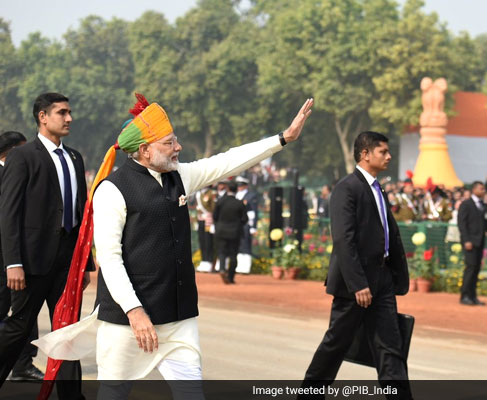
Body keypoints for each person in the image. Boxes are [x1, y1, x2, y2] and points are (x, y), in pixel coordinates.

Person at [33, 94, 313, 399]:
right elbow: (110, 260)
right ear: (144, 150)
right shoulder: (112, 190)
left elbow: (227, 161)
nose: (177, 147)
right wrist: (135, 312)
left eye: (175, 140)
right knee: (113, 393)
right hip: (127, 323)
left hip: (178, 318)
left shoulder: (180, 176)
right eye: (169, 142)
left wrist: (282, 139)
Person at [300, 131, 412, 400]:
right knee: (335, 345)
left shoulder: (378, 188)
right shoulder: (346, 188)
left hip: (382, 279)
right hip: (356, 284)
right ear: (365, 154)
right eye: (383, 152)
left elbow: (387, 232)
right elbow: (343, 239)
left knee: (390, 348)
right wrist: (358, 283)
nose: (389, 156)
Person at [0, 93, 93, 398]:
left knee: (67, 333)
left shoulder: (75, 158)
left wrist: (86, 263)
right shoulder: (23, 156)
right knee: (19, 327)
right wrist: (13, 262)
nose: (69, 118)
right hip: (31, 262)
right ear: (42, 116)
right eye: (62, 113)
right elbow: (9, 213)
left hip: (68, 263)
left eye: (69, 112)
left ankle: (71, 396)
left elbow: (80, 214)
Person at [0, 131, 44, 381]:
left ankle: (22, 364)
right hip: (8, 259)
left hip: (15, 257)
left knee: (23, 313)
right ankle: (21, 364)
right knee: (20, 315)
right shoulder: (10, 174)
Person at [457, 181, 487, 306]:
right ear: (474, 190)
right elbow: (462, 224)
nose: (483, 191)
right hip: (470, 242)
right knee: (470, 268)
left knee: (476, 269)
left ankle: (473, 296)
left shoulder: (484, 206)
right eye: (481, 188)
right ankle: (464, 295)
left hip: (480, 241)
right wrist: (466, 240)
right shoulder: (466, 204)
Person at [213, 180, 247, 283]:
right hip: (234, 232)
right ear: (236, 190)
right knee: (233, 254)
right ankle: (231, 278)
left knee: (222, 252)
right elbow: (244, 219)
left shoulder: (220, 202)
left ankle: (222, 269)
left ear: (227, 189)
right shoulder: (239, 203)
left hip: (221, 230)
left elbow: (215, 216)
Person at [235, 176, 258, 272]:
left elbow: (253, 212)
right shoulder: (236, 195)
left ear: (246, 186)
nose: (239, 187)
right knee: (238, 244)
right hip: (236, 223)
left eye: (241, 185)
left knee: (246, 244)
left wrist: (253, 226)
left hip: (246, 223)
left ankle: (246, 267)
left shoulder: (251, 196)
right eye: (238, 185)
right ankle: (239, 266)